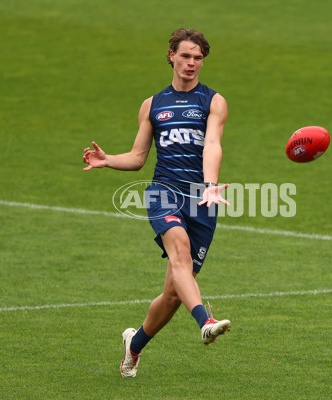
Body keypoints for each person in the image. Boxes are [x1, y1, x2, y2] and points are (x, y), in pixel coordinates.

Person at [82, 28, 231, 378]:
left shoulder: (213, 101)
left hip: (201, 201)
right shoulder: (153, 104)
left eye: (198, 58)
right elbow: (137, 157)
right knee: (178, 251)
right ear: (171, 56)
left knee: (174, 295)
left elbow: (212, 145)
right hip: (164, 192)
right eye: (185, 56)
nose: (191, 63)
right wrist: (108, 160)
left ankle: (133, 346)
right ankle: (206, 322)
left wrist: (210, 185)